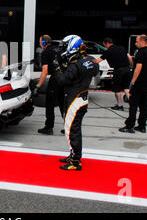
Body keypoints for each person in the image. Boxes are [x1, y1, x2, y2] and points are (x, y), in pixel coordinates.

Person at [55, 35, 99, 171]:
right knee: (74, 128)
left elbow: (61, 80)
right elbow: (94, 70)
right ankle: (73, 155)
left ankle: (75, 161)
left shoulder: (75, 65)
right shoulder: (89, 60)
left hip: (74, 99)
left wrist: (59, 67)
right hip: (82, 97)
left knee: (71, 130)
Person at [119, 35, 147, 134]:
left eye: (137, 41)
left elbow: (138, 68)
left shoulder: (141, 53)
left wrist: (132, 82)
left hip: (138, 83)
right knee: (144, 106)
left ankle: (129, 126)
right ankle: (142, 126)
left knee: (133, 105)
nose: (136, 43)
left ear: (143, 42)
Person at [33, 35, 64, 135]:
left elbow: (45, 71)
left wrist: (38, 86)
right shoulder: (59, 49)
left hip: (55, 79)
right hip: (64, 78)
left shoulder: (45, 52)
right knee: (63, 104)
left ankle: (49, 127)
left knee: (49, 104)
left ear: (44, 43)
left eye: (40, 42)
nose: (39, 44)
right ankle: (69, 127)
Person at [93, 37, 133, 110]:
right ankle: (133, 106)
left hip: (118, 71)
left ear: (107, 43)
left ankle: (120, 105)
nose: (105, 47)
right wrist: (131, 66)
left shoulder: (108, 51)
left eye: (104, 45)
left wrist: (88, 60)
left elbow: (97, 61)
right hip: (127, 69)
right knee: (126, 88)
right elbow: (130, 57)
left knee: (117, 88)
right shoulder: (121, 48)